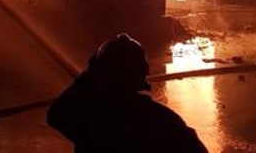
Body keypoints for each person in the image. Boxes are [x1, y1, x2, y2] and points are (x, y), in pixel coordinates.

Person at [47, 32, 208, 152]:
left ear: (99, 73)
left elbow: (56, 114)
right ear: (142, 73)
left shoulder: (90, 119)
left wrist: (89, 74)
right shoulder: (164, 121)